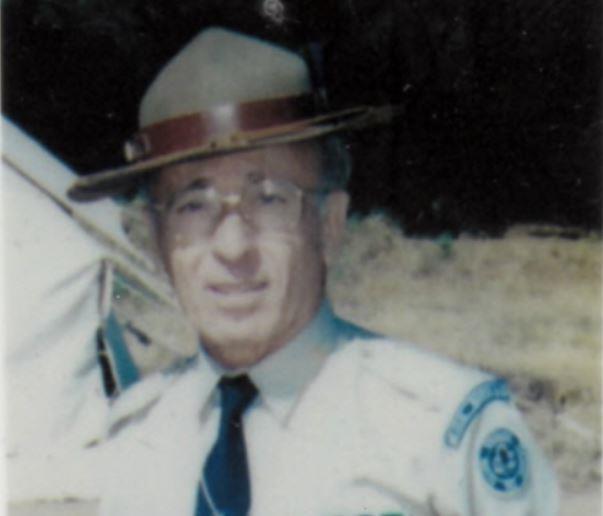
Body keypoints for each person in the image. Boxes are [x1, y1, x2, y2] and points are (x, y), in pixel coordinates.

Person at [69, 26, 558, 515]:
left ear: (329, 224)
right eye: (193, 206)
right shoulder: (132, 442)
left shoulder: (443, 431)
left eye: (270, 199)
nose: (233, 247)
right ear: (159, 240)